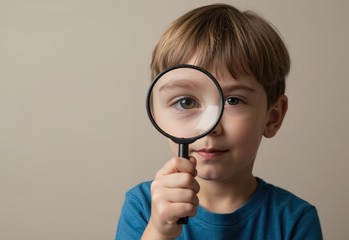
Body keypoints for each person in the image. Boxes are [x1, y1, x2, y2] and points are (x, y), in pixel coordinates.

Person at [116, 3, 323, 240]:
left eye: (233, 100)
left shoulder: (295, 219)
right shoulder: (143, 206)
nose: (211, 127)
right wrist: (158, 231)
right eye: (186, 102)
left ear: (273, 117)